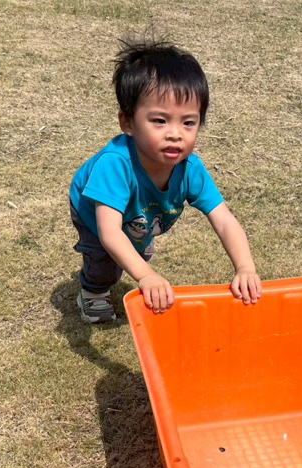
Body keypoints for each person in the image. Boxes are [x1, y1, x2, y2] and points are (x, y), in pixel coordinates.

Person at [69, 37, 262, 323]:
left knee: (136, 244)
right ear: (128, 123)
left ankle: (135, 243)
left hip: (140, 215)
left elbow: (223, 219)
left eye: (188, 122)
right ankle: (92, 292)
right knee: (104, 260)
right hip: (93, 210)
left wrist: (245, 267)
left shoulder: (190, 168)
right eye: (160, 121)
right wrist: (146, 276)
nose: (175, 134)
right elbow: (109, 232)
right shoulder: (115, 164)